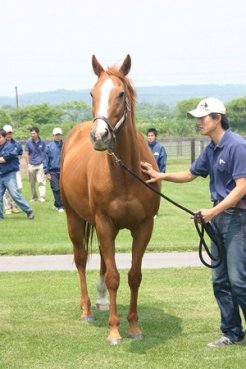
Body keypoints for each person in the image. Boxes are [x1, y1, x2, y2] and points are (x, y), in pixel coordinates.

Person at [141, 97, 246, 348]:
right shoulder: (211, 148)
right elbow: (190, 174)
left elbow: (242, 188)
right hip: (219, 218)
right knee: (220, 280)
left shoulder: (237, 146)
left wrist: (212, 211)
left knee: (239, 279)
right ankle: (232, 332)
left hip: (237, 219)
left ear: (217, 118)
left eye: (202, 117)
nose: (198, 122)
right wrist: (160, 174)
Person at [0, 128, 34, 220]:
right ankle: (0, 216)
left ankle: (29, 211)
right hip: (0, 174)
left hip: (9, 174)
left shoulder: (11, 146)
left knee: (15, 194)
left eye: (0, 137)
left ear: (4, 138)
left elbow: (4, 159)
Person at [3, 124, 23, 215]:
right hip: (4, 170)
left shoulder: (16, 144)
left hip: (15, 169)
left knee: (19, 188)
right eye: (7, 133)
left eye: (10, 133)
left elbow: (20, 153)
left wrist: (16, 159)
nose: (8, 134)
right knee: (6, 190)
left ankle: (15, 206)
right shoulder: (1, 144)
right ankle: (7, 207)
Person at [44, 127, 64, 212]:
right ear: (53, 136)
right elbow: (45, 159)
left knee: (63, 189)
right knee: (56, 188)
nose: (58, 136)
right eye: (56, 135)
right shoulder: (49, 147)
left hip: (64, 170)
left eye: (59, 135)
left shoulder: (66, 145)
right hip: (53, 171)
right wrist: (46, 172)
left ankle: (57, 204)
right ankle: (60, 206)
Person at [25, 127, 46, 202]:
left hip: (40, 164)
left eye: (33, 133)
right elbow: (27, 154)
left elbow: (45, 153)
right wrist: (28, 164)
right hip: (32, 164)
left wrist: (44, 163)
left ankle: (42, 197)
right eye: (31, 133)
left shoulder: (43, 142)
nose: (32, 135)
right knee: (32, 183)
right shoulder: (28, 142)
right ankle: (34, 197)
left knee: (41, 181)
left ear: (38, 133)